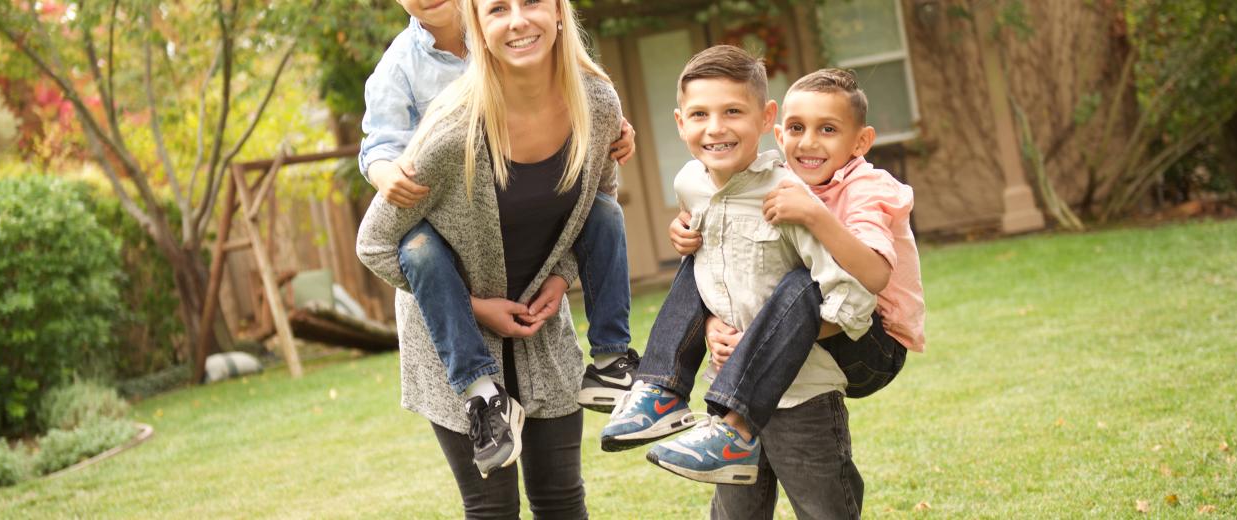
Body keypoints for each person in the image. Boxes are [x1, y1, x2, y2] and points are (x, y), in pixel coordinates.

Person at [355, 0, 624, 516]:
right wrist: (473, 305)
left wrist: (564, 275)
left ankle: (614, 360)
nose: (517, 22)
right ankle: (481, 392)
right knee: (492, 508)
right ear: (480, 29)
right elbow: (376, 237)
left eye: (530, 5)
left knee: (561, 498)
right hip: (449, 319)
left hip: (538, 324)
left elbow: (597, 197)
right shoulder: (436, 108)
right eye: (498, 9)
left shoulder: (593, 98)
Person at [595, 45, 877, 489]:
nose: (716, 128)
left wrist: (757, 343)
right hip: (722, 393)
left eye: (732, 111)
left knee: (824, 506)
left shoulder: (787, 192)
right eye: (700, 114)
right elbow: (714, 270)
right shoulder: (689, 183)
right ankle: (661, 391)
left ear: (767, 118)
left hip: (801, 392)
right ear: (680, 122)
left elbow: (849, 298)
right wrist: (707, 321)